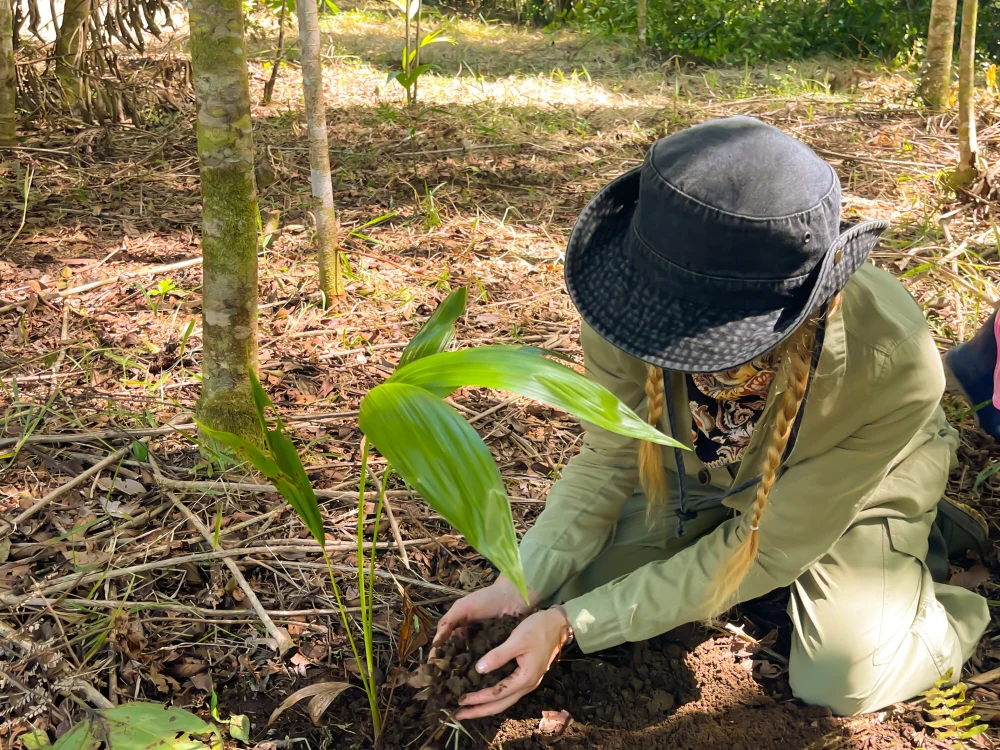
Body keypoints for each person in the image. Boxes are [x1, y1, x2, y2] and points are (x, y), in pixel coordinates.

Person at [434, 117, 991, 719]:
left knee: (843, 676)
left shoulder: (890, 365)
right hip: (706, 471)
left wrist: (573, 625)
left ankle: (923, 576)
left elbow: (772, 547)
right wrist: (526, 584)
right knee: (569, 589)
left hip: (858, 476)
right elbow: (612, 456)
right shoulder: (630, 302)